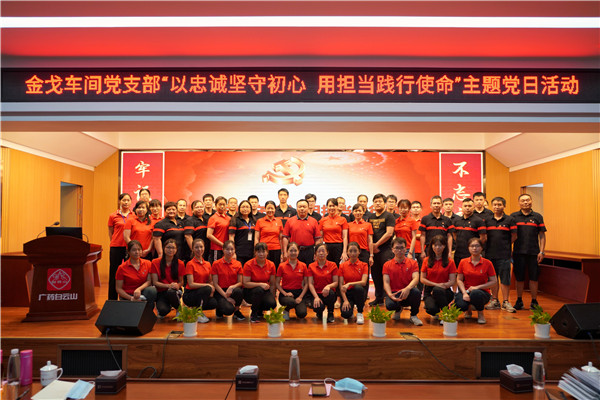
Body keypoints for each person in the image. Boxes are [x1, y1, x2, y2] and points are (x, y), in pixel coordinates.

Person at [511, 193, 547, 310]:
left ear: (531, 201)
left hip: (534, 253)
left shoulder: (538, 216)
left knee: (534, 277)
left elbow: (542, 235)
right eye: (523, 200)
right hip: (518, 252)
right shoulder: (513, 217)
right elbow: (510, 235)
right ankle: (519, 300)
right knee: (519, 278)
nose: (526, 202)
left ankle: (534, 301)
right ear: (519, 203)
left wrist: (541, 252)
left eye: (527, 200)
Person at [485, 196, 517, 312]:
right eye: (495, 205)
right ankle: (495, 301)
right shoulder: (487, 220)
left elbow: (514, 236)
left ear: (504, 206)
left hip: (504, 254)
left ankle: (506, 302)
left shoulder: (510, 220)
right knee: (493, 279)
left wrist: (505, 245)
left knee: (505, 279)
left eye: (499, 205)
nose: (497, 207)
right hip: (490, 254)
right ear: (491, 206)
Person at [455, 237, 497, 324]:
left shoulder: (488, 263)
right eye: (472, 246)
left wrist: (477, 287)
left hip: (482, 293)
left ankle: (480, 314)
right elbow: (459, 279)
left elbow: (494, 281)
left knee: (475, 293)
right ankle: (468, 310)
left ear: (481, 248)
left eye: (477, 246)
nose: (474, 248)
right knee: (460, 305)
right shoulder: (463, 262)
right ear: (468, 248)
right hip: (466, 291)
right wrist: (464, 293)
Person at [383, 238, 423, 326]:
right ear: (392, 250)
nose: (399, 250)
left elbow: (416, 279)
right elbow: (386, 282)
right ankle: (398, 310)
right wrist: (390, 294)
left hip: (408, 292)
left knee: (416, 292)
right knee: (390, 305)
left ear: (405, 249)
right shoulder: (387, 264)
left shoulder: (413, 263)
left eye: (402, 248)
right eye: (397, 248)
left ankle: (413, 315)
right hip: (395, 293)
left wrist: (407, 288)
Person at [420, 235, 457, 322]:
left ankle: (446, 314)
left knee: (437, 290)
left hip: (445, 290)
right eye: (435, 245)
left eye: (440, 245)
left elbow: (452, 281)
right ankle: (436, 310)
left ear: (444, 246)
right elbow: (422, 279)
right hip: (429, 290)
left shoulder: (450, 261)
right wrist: (436, 285)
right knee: (432, 309)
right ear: (431, 246)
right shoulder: (426, 260)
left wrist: (442, 286)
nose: (437, 247)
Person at [368, 193, 396, 306]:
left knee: (387, 275)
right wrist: (372, 248)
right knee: (375, 275)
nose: (378, 203)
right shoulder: (370, 217)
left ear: (384, 203)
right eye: (376, 201)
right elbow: (369, 233)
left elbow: (389, 233)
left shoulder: (389, 216)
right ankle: (379, 298)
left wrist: (376, 245)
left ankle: (390, 297)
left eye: (380, 201)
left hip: (386, 250)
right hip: (373, 251)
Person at [182, 238, 217, 323]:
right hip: (190, 294)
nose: (199, 249)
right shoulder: (190, 264)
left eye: (201, 247)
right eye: (196, 247)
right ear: (193, 249)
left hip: (202, 292)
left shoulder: (208, 264)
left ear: (204, 248)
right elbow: (191, 284)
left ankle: (195, 309)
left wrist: (211, 288)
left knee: (214, 303)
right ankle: (198, 313)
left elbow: (210, 281)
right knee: (207, 288)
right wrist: (207, 286)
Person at [210, 240, 245, 320]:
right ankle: (219, 309)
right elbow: (215, 284)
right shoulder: (216, 264)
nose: (230, 252)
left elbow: (240, 282)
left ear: (235, 250)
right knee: (228, 310)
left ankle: (236, 311)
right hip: (220, 291)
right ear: (223, 250)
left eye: (232, 249)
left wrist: (232, 287)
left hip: (232, 290)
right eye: (227, 249)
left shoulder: (238, 264)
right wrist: (226, 296)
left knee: (239, 291)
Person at [108, 193, 134, 300]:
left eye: (128, 200)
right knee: (114, 273)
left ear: (131, 202)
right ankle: (112, 299)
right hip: (116, 247)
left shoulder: (134, 215)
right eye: (124, 200)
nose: (126, 202)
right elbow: (111, 232)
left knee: (129, 273)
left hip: (130, 248)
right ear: (119, 201)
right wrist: (115, 241)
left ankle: (126, 298)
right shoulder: (113, 215)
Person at [242, 242, 277, 322]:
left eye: (263, 251)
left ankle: (259, 310)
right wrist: (260, 284)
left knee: (272, 304)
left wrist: (272, 297)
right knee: (258, 290)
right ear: (255, 253)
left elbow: (272, 284)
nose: (261, 254)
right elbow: (245, 283)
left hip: (264, 291)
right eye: (259, 251)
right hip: (249, 292)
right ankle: (253, 314)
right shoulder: (248, 264)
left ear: (267, 252)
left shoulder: (271, 265)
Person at [151, 239, 186, 318]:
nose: (170, 250)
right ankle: (168, 305)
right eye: (168, 247)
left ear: (176, 250)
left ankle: (179, 309)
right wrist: (168, 285)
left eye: (173, 248)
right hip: (161, 292)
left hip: (174, 291)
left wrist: (177, 285)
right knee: (162, 311)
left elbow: (181, 282)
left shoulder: (180, 263)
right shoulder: (155, 262)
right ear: (164, 248)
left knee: (171, 292)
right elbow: (155, 282)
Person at [115, 240, 157, 306]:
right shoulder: (122, 268)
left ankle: (148, 310)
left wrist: (138, 289)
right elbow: (118, 288)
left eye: (139, 250)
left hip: (141, 292)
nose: (137, 252)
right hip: (128, 295)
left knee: (152, 290)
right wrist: (131, 298)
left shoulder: (148, 263)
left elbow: (149, 281)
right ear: (128, 252)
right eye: (134, 250)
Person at [282, 199, 322, 266]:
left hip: (309, 251)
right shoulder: (290, 221)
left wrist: (316, 253)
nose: (302, 209)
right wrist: (285, 252)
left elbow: (317, 239)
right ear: (297, 208)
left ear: (308, 208)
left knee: (309, 269)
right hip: (294, 251)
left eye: (304, 207)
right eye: (300, 207)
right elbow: (285, 237)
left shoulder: (314, 221)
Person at [275, 242, 309, 320]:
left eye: (295, 250)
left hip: (298, 292)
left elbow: (307, 283)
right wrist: (285, 293)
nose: (293, 253)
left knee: (302, 314)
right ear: (287, 252)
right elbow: (277, 283)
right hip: (285, 293)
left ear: (298, 252)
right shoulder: (281, 266)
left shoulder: (303, 265)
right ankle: (286, 310)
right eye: (291, 250)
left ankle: (297, 308)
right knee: (290, 302)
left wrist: (300, 297)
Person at [338, 242, 368, 324]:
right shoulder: (342, 266)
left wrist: (349, 284)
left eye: (355, 251)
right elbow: (341, 285)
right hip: (347, 293)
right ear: (347, 252)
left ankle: (360, 313)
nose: (353, 253)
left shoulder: (364, 265)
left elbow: (363, 282)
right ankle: (350, 311)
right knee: (345, 314)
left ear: (359, 252)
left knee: (358, 288)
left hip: (359, 293)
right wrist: (345, 300)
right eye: (350, 251)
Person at [307, 243, 338, 323]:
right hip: (317, 293)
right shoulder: (311, 266)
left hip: (328, 293)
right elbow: (310, 283)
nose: (321, 253)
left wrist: (328, 286)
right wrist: (316, 297)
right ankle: (319, 312)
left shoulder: (333, 265)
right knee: (318, 307)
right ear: (315, 254)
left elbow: (336, 282)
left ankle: (330, 313)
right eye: (319, 251)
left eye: (323, 251)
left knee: (331, 294)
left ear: (327, 253)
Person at [419, 196, 454, 260]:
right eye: (434, 203)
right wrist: (422, 251)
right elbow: (423, 236)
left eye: (438, 203)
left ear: (442, 205)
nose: (436, 205)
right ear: (430, 205)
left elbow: (449, 237)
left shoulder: (447, 220)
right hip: (429, 250)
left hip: (443, 250)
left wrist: (449, 252)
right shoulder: (425, 219)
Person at [452, 197, 487, 263]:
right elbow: (454, 235)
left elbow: (483, 238)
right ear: (462, 207)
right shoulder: (456, 220)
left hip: (472, 254)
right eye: (465, 206)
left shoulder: (479, 221)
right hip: (458, 254)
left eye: (469, 206)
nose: (467, 208)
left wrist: (475, 249)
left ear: (473, 207)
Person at [319, 197, 349, 266]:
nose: (332, 208)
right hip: (326, 246)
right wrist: (320, 250)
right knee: (327, 266)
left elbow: (345, 237)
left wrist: (344, 252)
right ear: (327, 207)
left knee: (338, 267)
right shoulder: (323, 220)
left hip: (338, 246)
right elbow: (320, 237)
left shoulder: (343, 219)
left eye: (333, 206)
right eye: (330, 206)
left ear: (337, 207)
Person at [255, 200, 284, 265]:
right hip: (263, 250)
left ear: (275, 209)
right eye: (268, 208)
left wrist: (282, 253)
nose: (270, 210)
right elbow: (256, 238)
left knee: (275, 268)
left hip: (276, 249)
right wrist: (256, 251)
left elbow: (281, 238)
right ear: (265, 209)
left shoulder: (279, 221)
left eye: (272, 208)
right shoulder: (259, 221)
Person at [229, 200, 256, 266]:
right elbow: (231, 237)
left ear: (250, 209)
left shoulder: (254, 220)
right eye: (243, 207)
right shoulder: (235, 220)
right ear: (239, 208)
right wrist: (233, 252)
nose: (245, 209)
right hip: (239, 252)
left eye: (247, 207)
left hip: (251, 252)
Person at [207, 196, 231, 262]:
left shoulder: (229, 218)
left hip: (227, 248)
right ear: (215, 205)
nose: (222, 206)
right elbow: (209, 235)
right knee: (217, 266)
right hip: (217, 248)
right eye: (220, 204)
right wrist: (222, 244)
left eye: (224, 204)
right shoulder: (213, 218)